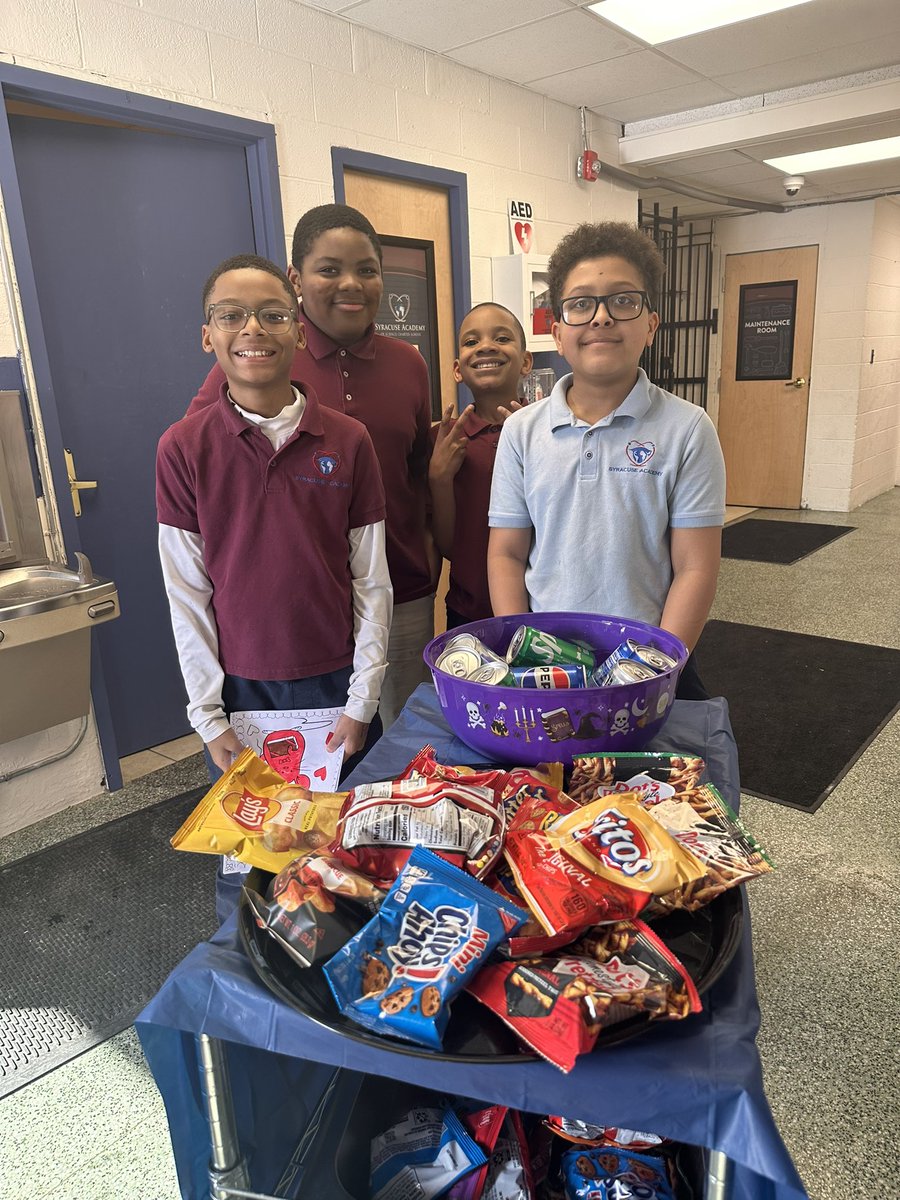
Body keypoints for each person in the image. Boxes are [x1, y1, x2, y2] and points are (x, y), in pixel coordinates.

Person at [157, 254, 392, 920]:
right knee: (253, 872)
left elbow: (370, 583)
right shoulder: (182, 447)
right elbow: (187, 596)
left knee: (345, 861)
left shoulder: (348, 441)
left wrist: (362, 700)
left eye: (271, 314)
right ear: (208, 335)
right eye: (230, 315)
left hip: (334, 690)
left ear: (297, 328)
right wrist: (208, 718)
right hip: (241, 699)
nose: (251, 328)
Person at [187, 205, 434, 728]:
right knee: (323, 759)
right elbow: (209, 469)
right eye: (329, 269)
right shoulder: (262, 358)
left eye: (367, 269)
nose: (350, 283)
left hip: (402, 589)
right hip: (303, 608)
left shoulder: (409, 364)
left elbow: (414, 476)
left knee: (406, 740)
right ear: (297, 279)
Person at [488, 221, 725, 698]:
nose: (600, 318)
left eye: (623, 300)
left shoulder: (689, 429)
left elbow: (695, 567)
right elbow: (507, 553)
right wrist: (521, 655)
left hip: (651, 660)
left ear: (651, 325)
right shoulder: (521, 431)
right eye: (580, 304)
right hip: (546, 666)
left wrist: (654, 674)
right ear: (557, 333)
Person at [428, 303, 532, 629]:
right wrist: (439, 478)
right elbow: (447, 546)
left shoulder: (546, 432)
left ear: (526, 361)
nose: (486, 346)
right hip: (468, 611)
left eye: (501, 338)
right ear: (458, 369)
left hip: (540, 607)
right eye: (472, 342)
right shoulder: (444, 439)